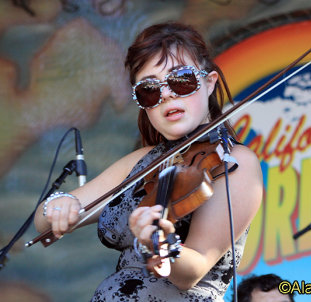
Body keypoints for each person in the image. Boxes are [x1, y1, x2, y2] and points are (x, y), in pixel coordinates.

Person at [34, 22, 263, 301]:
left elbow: (192, 271)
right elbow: (44, 222)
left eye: (181, 80)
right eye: (150, 90)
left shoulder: (234, 161)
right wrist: (58, 206)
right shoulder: (143, 161)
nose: (166, 94)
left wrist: (158, 243)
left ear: (209, 82)